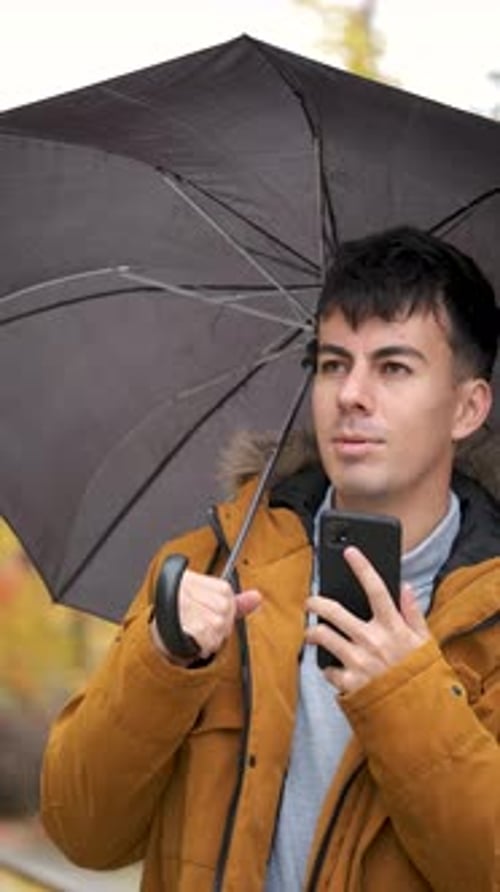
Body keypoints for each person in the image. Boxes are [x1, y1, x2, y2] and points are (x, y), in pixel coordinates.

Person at [40, 226, 500, 892]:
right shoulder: (210, 567)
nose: (350, 395)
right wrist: (163, 664)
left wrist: (406, 695)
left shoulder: (490, 621)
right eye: (333, 363)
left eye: (392, 368)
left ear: (467, 407)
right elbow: (82, 831)